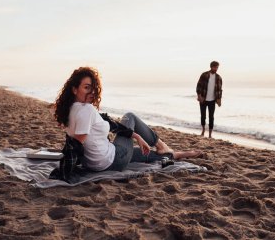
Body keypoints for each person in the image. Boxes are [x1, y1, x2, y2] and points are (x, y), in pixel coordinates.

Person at [52, 67, 202, 182]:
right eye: (86, 87)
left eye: (92, 87)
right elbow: (76, 145)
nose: (91, 92)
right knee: (130, 116)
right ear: (74, 89)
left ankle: (173, 154)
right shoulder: (87, 110)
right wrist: (64, 173)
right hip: (113, 160)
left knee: (143, 154)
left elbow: (105, 125)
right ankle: (161, 145)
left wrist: (136, 136)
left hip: (97, 161)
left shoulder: (70, 109)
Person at [196, 61, 223, 138]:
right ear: (211, 67)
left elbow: (219, 90)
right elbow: (199, 86)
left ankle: (210, 134)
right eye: (215, 67)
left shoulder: (218, 77)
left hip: (212, 100)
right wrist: (199, 96)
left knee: (211, 117)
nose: (216, 69)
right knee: (203, 116)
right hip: (203, 99)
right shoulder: (204, 75)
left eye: (217, 67)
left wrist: (219, 99)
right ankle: (203, 130)